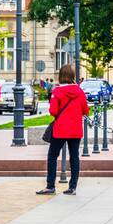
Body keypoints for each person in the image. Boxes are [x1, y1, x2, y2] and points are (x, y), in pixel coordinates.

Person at [37, 64, 90, 196]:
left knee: (53, 156)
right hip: (75, 129)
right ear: (72, 76)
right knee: (74, 157)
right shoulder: (79, 91)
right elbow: (86, 110)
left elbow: (53, 111)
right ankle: (72, 187)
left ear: (61, 76)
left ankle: (50, 186)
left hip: (60, 129)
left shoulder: (57, 92)